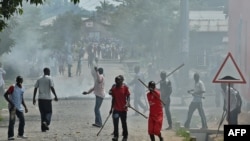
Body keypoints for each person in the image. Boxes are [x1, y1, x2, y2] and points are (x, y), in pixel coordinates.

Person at [33, 67, 58, 132]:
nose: (50, 73)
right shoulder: (50, 78)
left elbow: (35, 88)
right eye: (49, 71)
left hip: (40, 99)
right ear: (47, 72)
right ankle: (46, 122)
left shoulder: (39, 79)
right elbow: (52, 87)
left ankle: (43, 128)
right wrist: (55, 95)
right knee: (49, 112)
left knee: (42, 113)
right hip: (47, 99)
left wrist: (34, 98)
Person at [4, 76, 28, 140]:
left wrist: (25, 107)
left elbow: (21, 98)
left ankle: (20, 134)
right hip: (12, 108)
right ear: (16, 81)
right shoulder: (12, 87)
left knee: (22, 120)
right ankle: (10, 136)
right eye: (19, 80)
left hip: (19, 107)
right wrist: (11, 103)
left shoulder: (23, 88)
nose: (20, 82)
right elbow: (5, 95)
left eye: (21, 80)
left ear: (22, 81)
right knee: (12, 121)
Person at [109, 75, 131, 141]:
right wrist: (111, 108)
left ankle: (125, 136)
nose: (117, 82)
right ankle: (116, 136)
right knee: (115, 123)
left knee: (124, 123)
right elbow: (113, 99)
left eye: (119, 81)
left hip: (123, 109)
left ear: (122, 81)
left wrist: (127, 103)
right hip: (116, 109)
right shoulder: (114, 89)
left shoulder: (125, 88)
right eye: (116, 81)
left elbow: (128, 96)